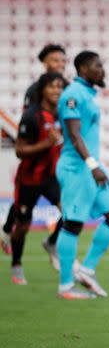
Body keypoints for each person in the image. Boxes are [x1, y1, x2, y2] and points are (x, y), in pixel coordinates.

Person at [56, 51, 109, 299]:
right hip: (77, 168)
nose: (102, 70)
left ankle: (85, 270)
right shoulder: (73, 95)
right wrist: (91, 164)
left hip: (92, 166)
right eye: (98, 66)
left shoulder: (87, 93)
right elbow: (74, 135)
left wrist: (94, 165)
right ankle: (65, 285)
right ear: (84, 68)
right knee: (73, 224)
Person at [2, 44, 67, 256]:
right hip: (37, 157)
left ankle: (50, 241)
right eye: (55, 60)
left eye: (63, 61)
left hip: (56, 160)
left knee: (68, 209)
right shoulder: (34, 90)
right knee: (25, 201)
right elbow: (29, 122)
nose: (60, 64)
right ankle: (7, 233)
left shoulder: (67, 87)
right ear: (44, 62)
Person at [8, 72, 66, 285]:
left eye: (60, 87)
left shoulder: (62, 114)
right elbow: (19, 151)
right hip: (29, 179)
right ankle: (16, 264)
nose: (56, 91)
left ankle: (51, 242)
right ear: (43, 90)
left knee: (69, 211)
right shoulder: (32, 116)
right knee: (22, 226)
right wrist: (45, 144)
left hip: (51, 177)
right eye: (52, 86)